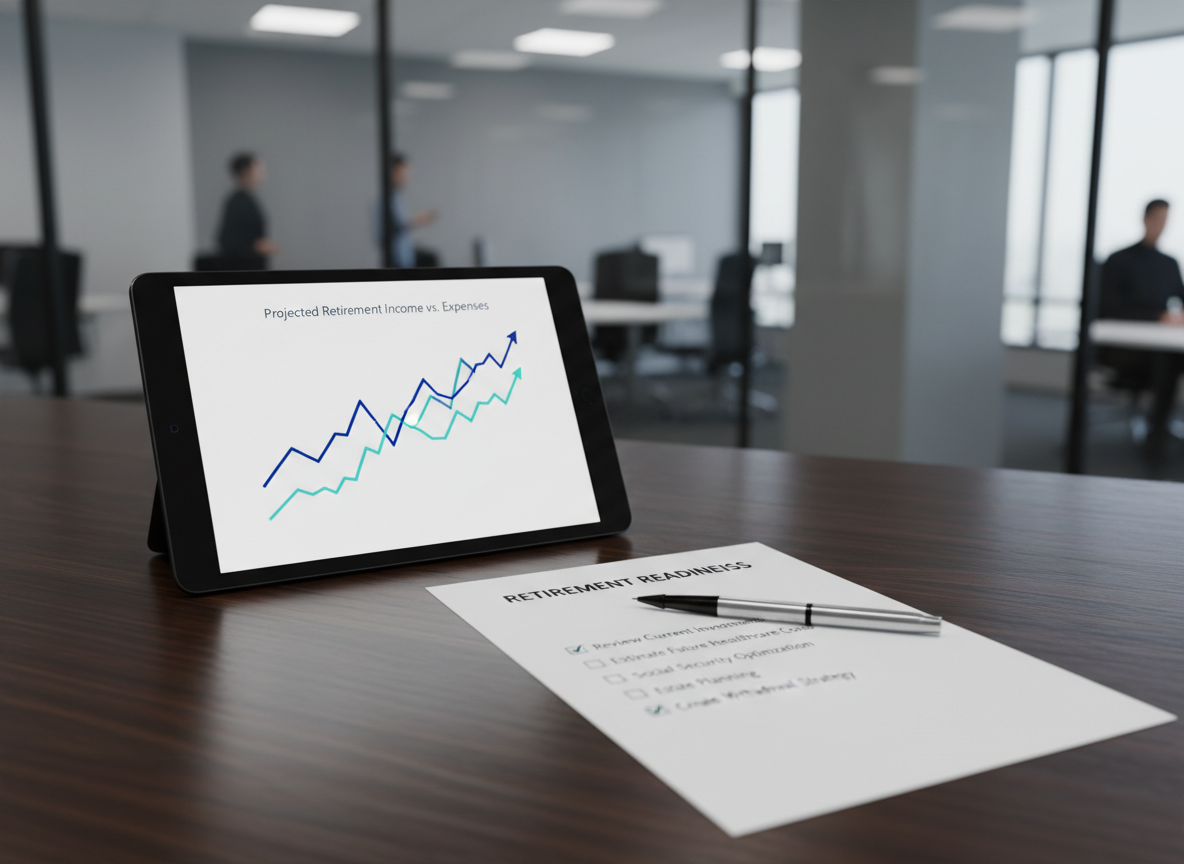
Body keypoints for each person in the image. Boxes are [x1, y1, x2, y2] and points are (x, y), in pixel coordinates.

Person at [1098, 199, 1184, 454]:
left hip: (1162, 346)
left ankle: (1159, 429)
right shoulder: (1119, 259)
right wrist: (1158, 316)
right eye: (1157, 219)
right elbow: (1108, 307)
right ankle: (1156, 436)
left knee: (1171, 357)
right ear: (1145, 218)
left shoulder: (1169, 263)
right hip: (1125, 348)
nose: (1161, 225)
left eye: (1165, 220)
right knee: (1167, 361)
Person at [216, 153, 275, 269]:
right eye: (258, 168)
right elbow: (226, 240)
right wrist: (255, 247)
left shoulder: (248, 199)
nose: (262, 172)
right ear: (246, 171)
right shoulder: (237, 202)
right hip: (244, 268)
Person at [379, 154, 437, 267]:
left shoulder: (398, 197)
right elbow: (387, 231)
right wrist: (416, 220)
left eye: (406, 172)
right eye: (401, 172)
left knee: (431, 258)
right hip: (396, 258)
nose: (405, 176)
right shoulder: (385, 199)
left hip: (404, 255)